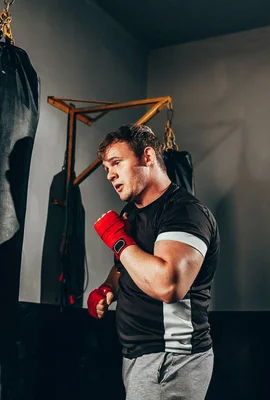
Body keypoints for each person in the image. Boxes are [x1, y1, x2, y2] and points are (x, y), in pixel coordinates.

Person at [88, 124, 220, 400]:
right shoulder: (132, 213)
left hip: (171, 358)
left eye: (116, 163)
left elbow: (168, 285)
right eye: (106, 169)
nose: (111, 174)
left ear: (147, 157)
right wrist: (107, 288)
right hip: (140, 356)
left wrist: (117, 239)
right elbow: (126, 267)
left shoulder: (184, 212)